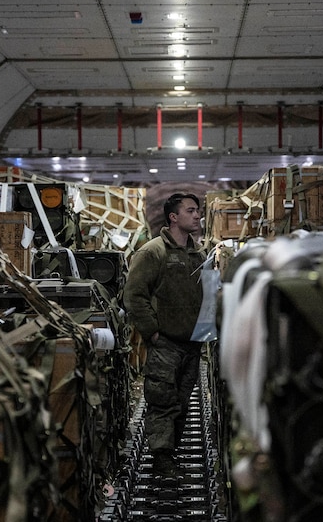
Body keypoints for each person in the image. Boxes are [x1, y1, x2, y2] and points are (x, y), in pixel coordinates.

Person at [123, 192, 207, 478]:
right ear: (173, 217)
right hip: (166, 343)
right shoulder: (152, 252)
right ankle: (162, 458)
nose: (197, 215)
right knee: (162, 402)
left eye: (198, 211)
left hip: (191, 344)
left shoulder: (198, 253)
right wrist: (153, 333)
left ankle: (169, 453)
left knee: (181, 404)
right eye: (191, 211)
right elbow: (134, 296)